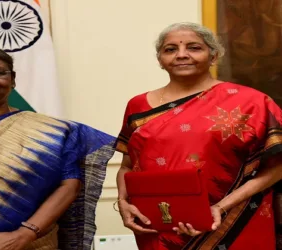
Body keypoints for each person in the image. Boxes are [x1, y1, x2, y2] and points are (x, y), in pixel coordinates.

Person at [115, 22, 282, 250]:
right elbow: (127, 166)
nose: (181, 55)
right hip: (159, 226)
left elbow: (277, 166)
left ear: (213, 56)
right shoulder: (138, 106)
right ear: (160, 60)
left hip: (235, 221)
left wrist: (220, 208)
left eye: (194, 47)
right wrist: (123, 202)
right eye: (170, 49)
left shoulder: (251, 102)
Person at [0, 45, 115, 250]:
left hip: (30, 243)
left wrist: (24, 235)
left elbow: (69, 185)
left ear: (13, 79)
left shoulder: (53, 131)